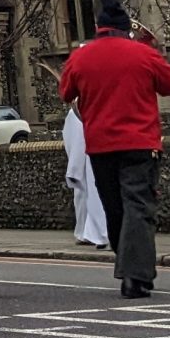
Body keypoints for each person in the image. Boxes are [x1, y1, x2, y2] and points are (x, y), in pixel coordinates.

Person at [58, 0, 170, 298]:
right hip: (139, 142)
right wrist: (157, 55)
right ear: (126, 27)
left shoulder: (80, 57)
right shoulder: (143, 54)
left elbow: (66, 92)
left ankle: (127, 266)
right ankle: (134, 275)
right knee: (138, 207)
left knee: (114, 208)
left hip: (100, 144)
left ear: (98, 27)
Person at [62, 103, 108, 248]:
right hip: (89, 160)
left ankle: (98, 234)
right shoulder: (75, 113)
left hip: (95, 158)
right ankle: (88, 233)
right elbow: (75, 142)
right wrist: (75, 168)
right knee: (86, 196)